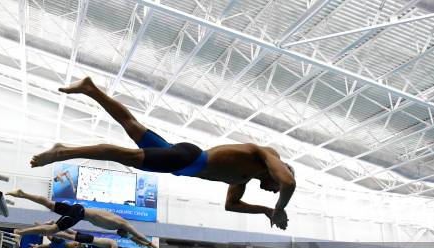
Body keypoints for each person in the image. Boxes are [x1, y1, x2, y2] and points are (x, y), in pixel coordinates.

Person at [30, 77, 296, 230]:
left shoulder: (243, 180)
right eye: (275, 188)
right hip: (188, 158)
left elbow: (231, 206)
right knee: (128, 157)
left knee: (133, 127)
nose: (274, 191)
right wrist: (280, 210)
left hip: (180, 158)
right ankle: (62, 153)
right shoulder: (266, 155)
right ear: (280, 168)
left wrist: (267, 211)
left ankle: (91, 89)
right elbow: (289, 183)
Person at [7, 189, 158, 248]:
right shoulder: (123, 223)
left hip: (78, 210)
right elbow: (137, 234)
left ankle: (22, 193)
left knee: (49, 204)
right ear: (123, 231)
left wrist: (146, 245)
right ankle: (21, 232)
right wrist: (151, 243)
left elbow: (134, 238)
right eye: (124, 234)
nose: (123, 235)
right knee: (54, 230)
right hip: (79, 213)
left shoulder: (117, 223)